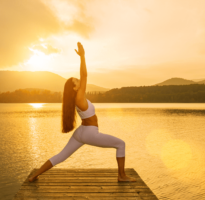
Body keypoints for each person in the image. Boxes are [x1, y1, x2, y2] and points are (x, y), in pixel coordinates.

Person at [28, 42, 136, 182]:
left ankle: (34, 176)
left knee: (61, 156)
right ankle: (121, 176)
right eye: (76, 81)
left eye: (78, 80)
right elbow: (84, 75)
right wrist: (82, 56)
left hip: (81, 132)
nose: (79, 80)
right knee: (121, 144)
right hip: (90, 133)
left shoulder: (76, 98)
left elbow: (83, 77)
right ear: (74, 88)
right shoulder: (79, 97)